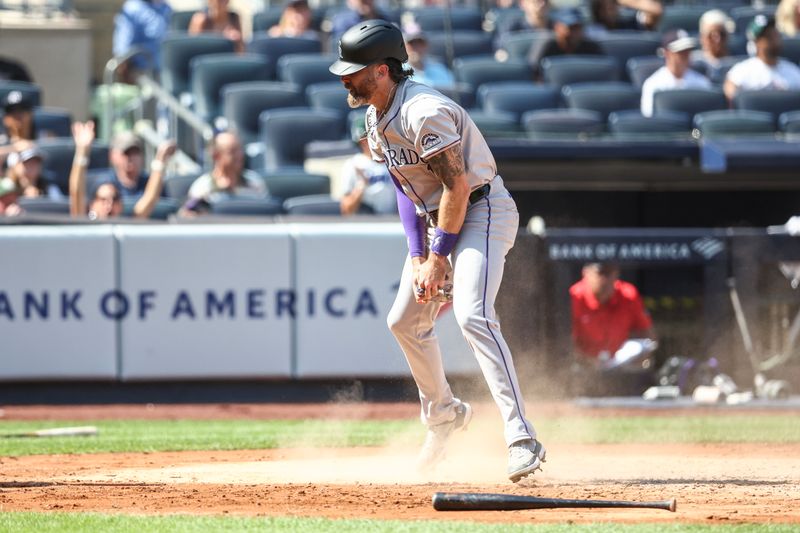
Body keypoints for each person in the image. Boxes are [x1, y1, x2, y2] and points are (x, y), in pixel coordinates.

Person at [329, 20, 545, 483]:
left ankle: (521, 436)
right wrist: (417, 255)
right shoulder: (375, 113)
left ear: (383, 70)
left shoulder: (423, 110)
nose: (344, 78)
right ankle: (444, 414)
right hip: (439, 221)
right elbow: (405, 189)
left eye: (354, 70)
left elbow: (457, 184)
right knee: (404, 321)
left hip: (483, 211)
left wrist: (439, 256)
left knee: (472, 314)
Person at [569, 262, 657, 396]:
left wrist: (644, 356)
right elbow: (564, 342)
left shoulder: (627, 294)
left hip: (620, 368)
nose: (606, 280)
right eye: (600, 273)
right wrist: (586, 360)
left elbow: (648, 335)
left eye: (610, 274)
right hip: (584, 368)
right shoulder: (574, 296)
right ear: (585, 273)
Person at [69, 121, 175, 220]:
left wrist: (160, 161)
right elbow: (76, 193)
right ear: (92, 205)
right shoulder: (85, 228)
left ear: (121, 206)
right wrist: (82, 151)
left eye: (114, 199)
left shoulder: (127, 228)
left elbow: (149, 200)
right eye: (103, 199)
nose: (109, 205)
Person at [180, 131, 267, 216]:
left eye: (240, 150)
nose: (239, 156)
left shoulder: (255, 182)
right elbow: (188, 215)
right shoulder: (202, 187)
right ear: (216, 155)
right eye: (232, 151)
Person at [724, 15, 800, 101]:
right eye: (768, 36)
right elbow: (730, 94)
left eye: (775, 34)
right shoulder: (741, 71)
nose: (774, 40)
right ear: (756, 42)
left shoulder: (793, 71)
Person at [641, 30, 712, 117]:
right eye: (680, 51)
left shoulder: (701, 82)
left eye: (688, 50)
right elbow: (649, 117)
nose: (685, 55)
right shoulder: (653, 84)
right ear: (667, 53)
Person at [340, 116, 397, 215]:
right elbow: (346, 210)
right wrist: (361, 185)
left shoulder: (395, 160)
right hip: (366, 224)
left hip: (393, 222)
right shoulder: (353, 164)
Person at [112, 0, 172, 83]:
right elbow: (122, 53)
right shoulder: (132, 8)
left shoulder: (165, 7)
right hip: (143, 75)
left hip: (168, 72)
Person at [528, 8, 603, 71]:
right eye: (570, 27)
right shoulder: (547, 46)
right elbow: (534, 72)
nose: (574, 32)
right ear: (557, 27)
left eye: (578, 27)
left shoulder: (592, 48)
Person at [0, 142, 62, 216]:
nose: (32, 166)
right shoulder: (5, 187)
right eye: (27, 162)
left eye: (36, 162)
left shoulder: (50, 189)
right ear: (15, 165)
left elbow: (60, 211)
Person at [691, 10, 736, 84]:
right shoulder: (693, 63)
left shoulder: (736, 63)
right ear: (702, 37)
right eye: (711, 35)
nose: (717, 40)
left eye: (722, 34)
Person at [587, 0, 663, 36]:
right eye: (603, 7)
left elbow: (655, 10)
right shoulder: (591, 32)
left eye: (612, 5)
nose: (609, 9)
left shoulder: (631, 25)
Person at [0, 90, 36, 167]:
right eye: (12, 112)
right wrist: (15, 148)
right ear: (5, 119)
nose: (17, 115)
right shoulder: (2, 142)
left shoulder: (44, 137)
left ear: (31, 114)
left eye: (22, 110)